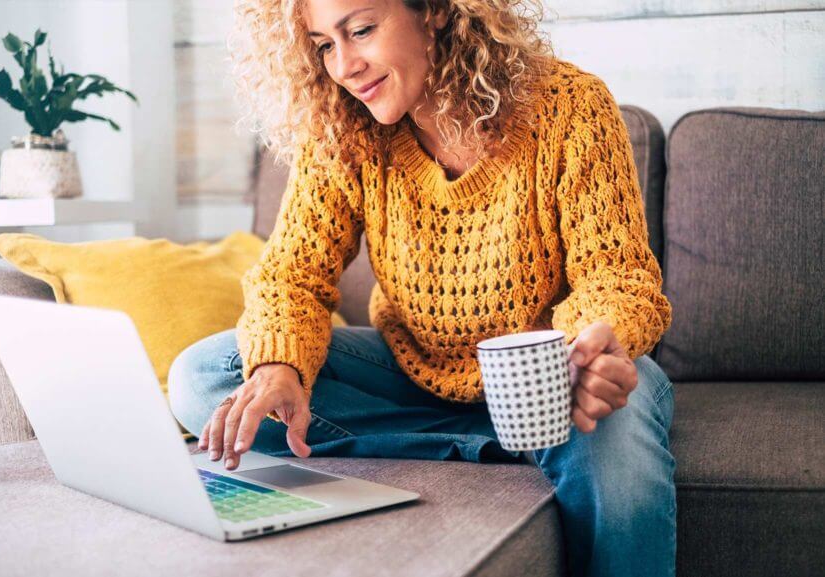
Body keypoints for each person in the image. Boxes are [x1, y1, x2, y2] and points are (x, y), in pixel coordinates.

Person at [168, 1, 677, 576]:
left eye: (360, 31)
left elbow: (618, 279)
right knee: (206, 376)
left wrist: (583, 353)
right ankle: (498, 443)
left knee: (613, 426)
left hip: (554, 378)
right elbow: (292, 276)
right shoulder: (343, 127)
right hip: (416, 373)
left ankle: (528, 435)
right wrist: (278, 367)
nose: (344, 66)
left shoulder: (570, 107)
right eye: (324, 45)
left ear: (435, 10)